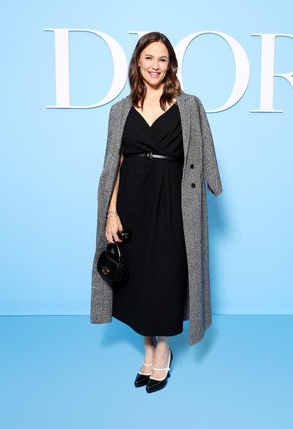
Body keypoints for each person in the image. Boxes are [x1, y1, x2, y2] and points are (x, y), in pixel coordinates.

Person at [90, 31, 222, 393]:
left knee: (166, 275)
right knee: (138, 278)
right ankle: (148, 350)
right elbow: (114, 164)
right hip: (131, 203)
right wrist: (111, 212)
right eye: (149, 58)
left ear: (171, 65)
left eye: (162, 59)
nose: (155, 65)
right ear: (138, 62)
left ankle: (163, 350)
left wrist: (214, 181)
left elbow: (204, 149)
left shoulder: (189, 105)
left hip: (173, 202)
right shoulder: (120, 110)